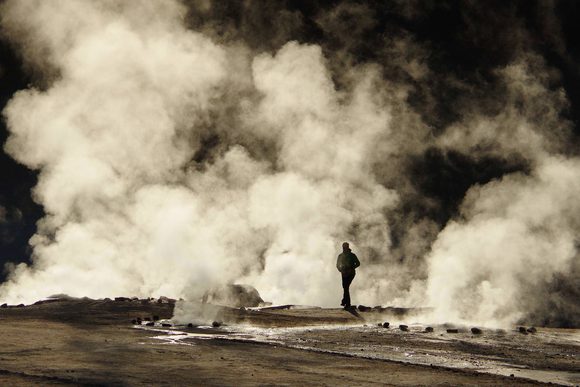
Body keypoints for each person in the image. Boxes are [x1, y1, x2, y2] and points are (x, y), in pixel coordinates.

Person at [336, 242, 360, 308]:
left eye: (345, 247)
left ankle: (346, 303)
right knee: (345, 287)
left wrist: (352, 268)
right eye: (343, 247)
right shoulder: (340, 256)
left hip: (351, 273)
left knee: (346, 287)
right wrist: (341, 270)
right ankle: (345, 302)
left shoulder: (352, 255)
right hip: (344, 274)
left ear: (348, 247)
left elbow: (358, 263)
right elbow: (337, 265)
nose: (344, 248)